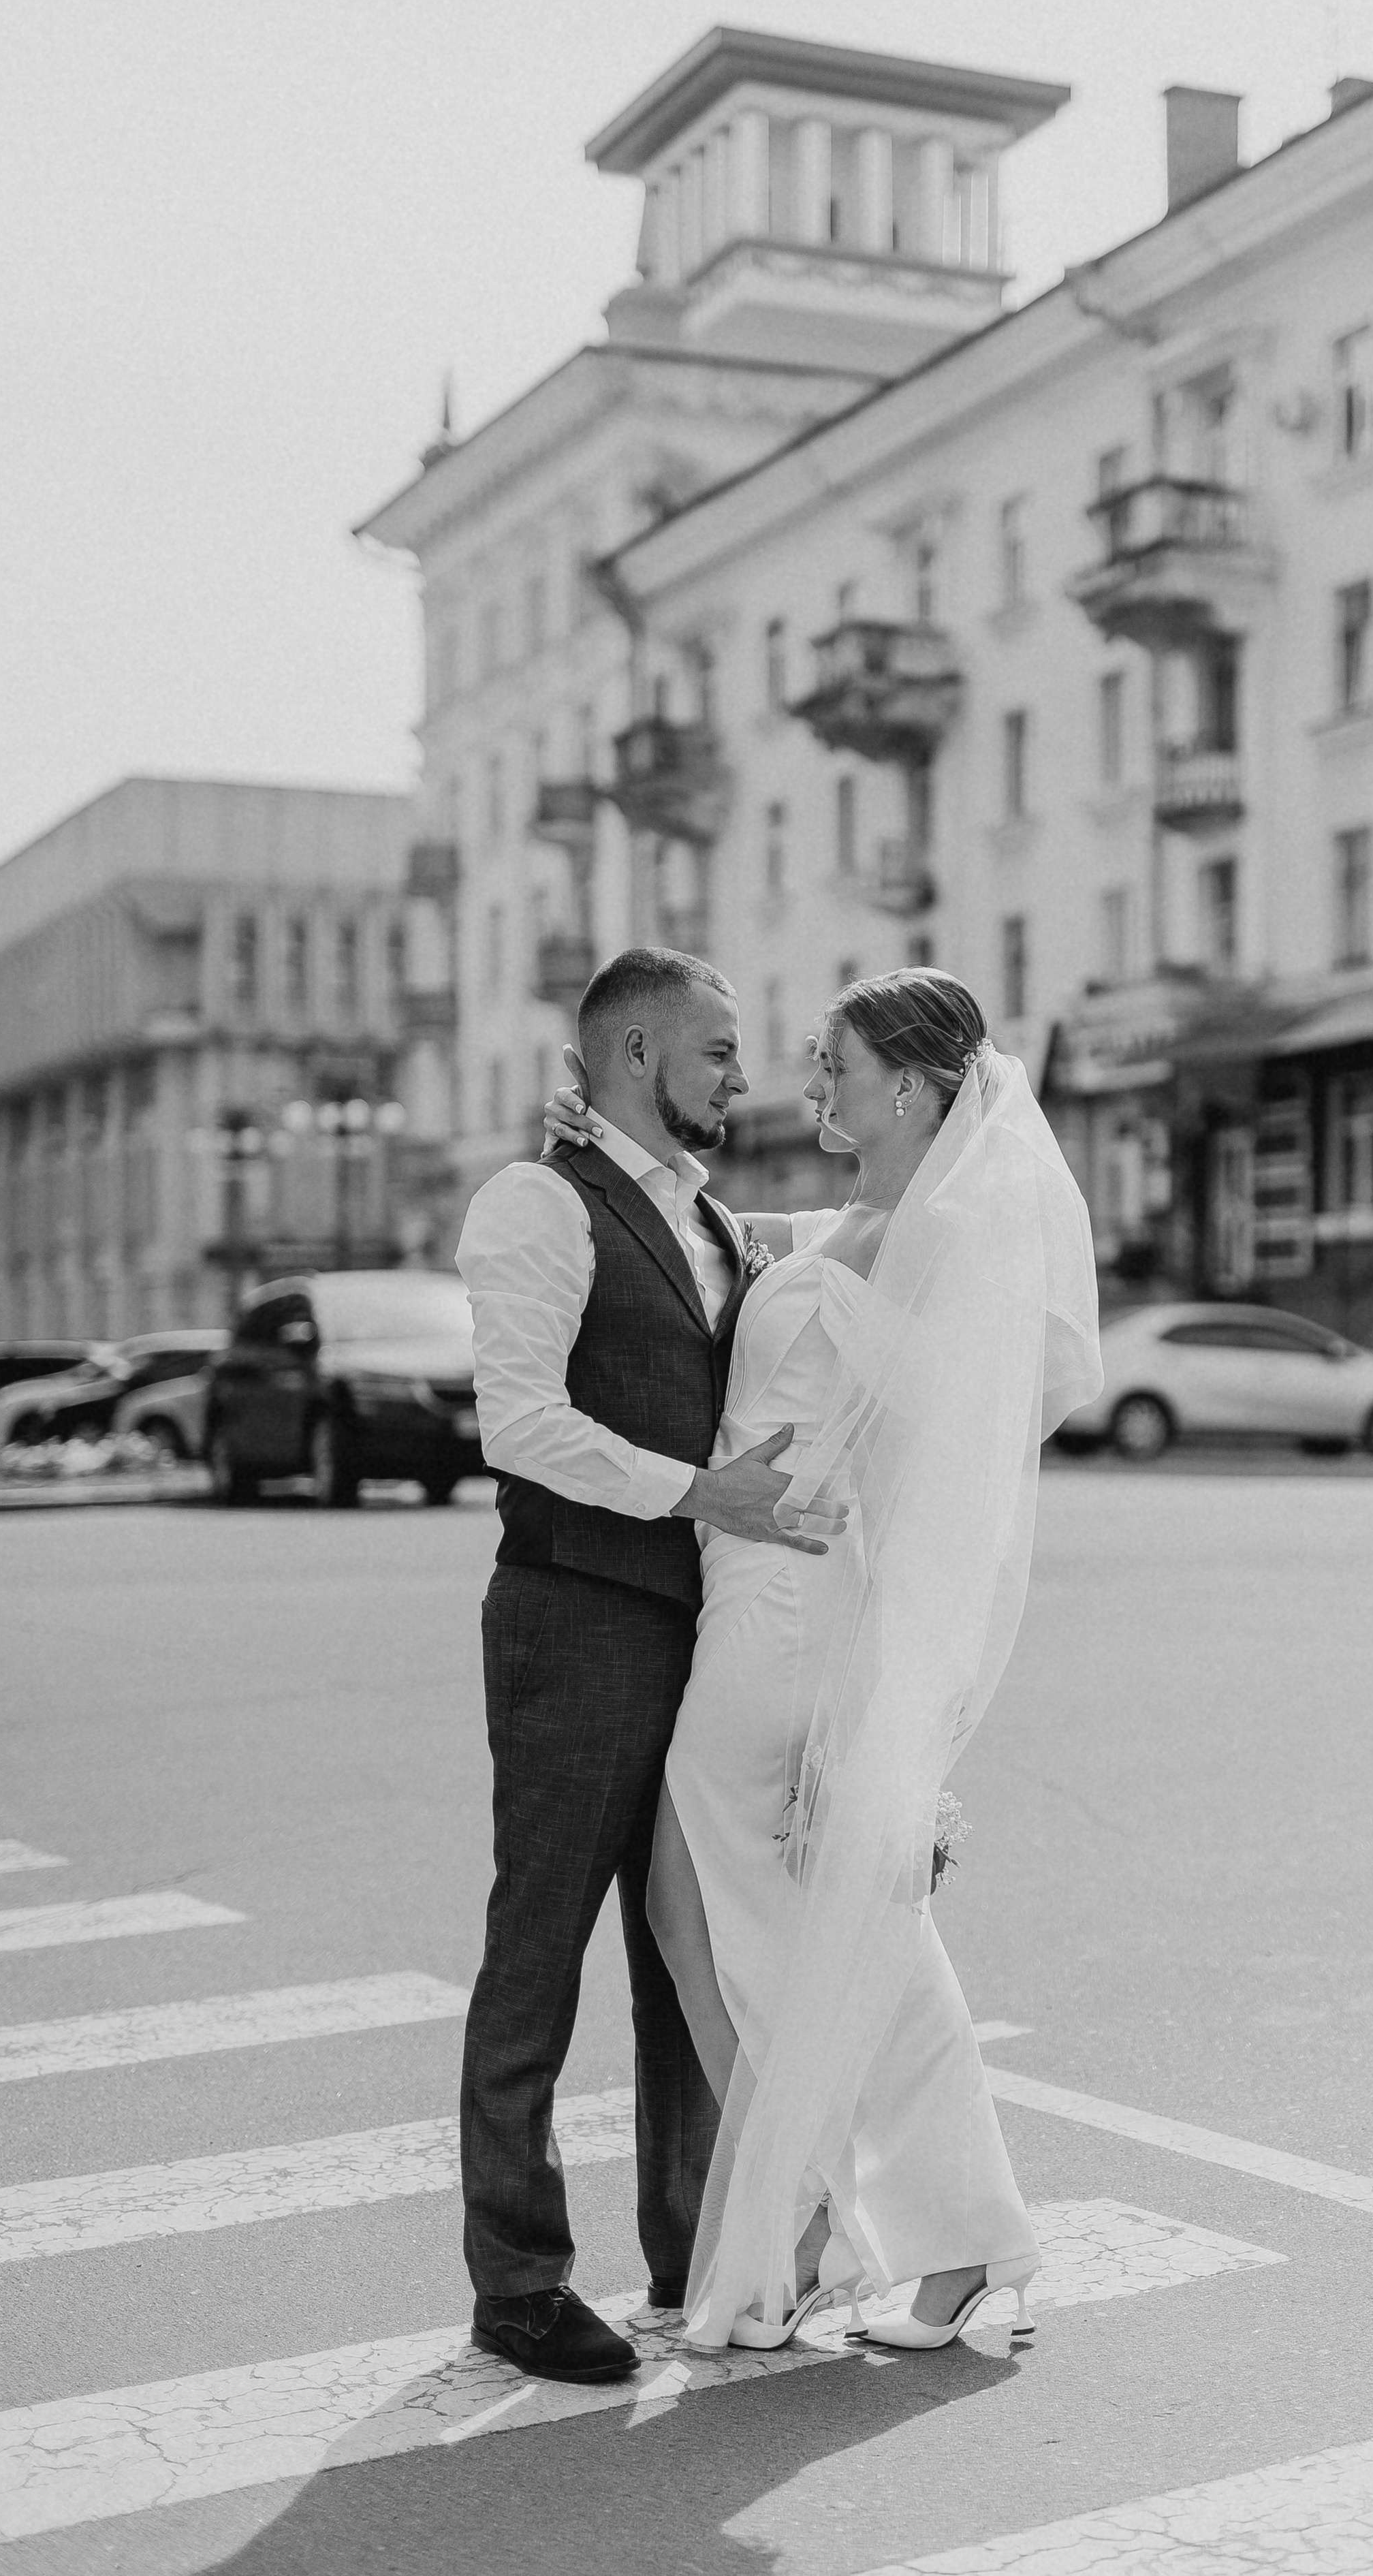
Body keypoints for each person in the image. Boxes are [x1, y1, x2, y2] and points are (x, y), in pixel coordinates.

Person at [542, 967, 1101, 2352]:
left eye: (832, 1062)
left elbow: (931, 1511)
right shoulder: (850, 1222)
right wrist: (610, 1134)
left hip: (791, 1624)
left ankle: (827, 2229)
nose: (810, 1083)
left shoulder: (943, 1245)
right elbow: (710, 1234)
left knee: (735, 1911)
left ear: (907, 1087)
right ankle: (925, 2238)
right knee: (825, 1926)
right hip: (747, 1601)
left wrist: (878, 1725)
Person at [455, 945, 842, 2387]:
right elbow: (519, 1422)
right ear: (633, 1055)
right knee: (539, 1949)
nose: (739, 1077)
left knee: (689, 1941)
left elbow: (867, 1225)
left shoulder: (714, 1218)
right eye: (717, 1051)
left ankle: (690, 2248)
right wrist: (698, 1494)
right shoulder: (536, 1202)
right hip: (575, 1619)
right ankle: (518, 2285)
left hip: (700, 1628)